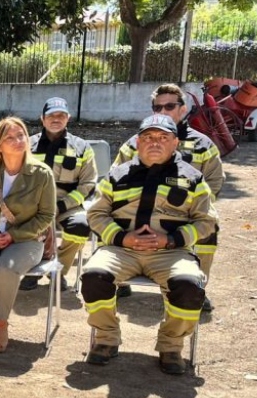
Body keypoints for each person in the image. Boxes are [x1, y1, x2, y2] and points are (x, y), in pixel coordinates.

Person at [82, 114, 217, 375]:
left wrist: (171, 239)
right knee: (93, 275)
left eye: (163, 137)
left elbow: (207, 221)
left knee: (189, 285)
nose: (155, 142)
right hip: (120, 250)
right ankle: (106, 338)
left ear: (175, 143)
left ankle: (171, 345)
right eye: (148, 137)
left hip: (171, 253)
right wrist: (122, 237)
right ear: (137, 142)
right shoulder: (117, 175)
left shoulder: (193, 179)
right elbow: (96, 214)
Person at [113, 83, 225, 311]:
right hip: (138, 212)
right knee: (111, 220)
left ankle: (197, 287)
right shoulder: (135, 143)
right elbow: (114, 177)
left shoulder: (204, 145)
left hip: (185, 214)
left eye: (169, 106)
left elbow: (214, 182)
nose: (163, 111)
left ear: (183, 109)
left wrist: (195, 208)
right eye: (158, 107)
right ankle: (118, 281)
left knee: (209, 229)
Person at [0, 117, 56, 353]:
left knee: (6, 269)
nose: (18, 141)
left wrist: (13, 236)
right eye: (10, 137)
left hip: (26, 239)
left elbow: (46, 216)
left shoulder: (42, 173)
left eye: (21, 135)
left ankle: (2, 323)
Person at [22, 97, 97, 292]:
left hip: (67, 206)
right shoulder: (26, 145)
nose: (56, 119)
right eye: (51, 115)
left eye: (61, 115)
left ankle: (58, 270)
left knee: (81, 226)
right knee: (24, 225)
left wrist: (61, 206)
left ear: (68, 118)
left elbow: (88, 184)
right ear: (42, 118)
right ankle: (32, 269)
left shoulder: (82, 148)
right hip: (33, 205)